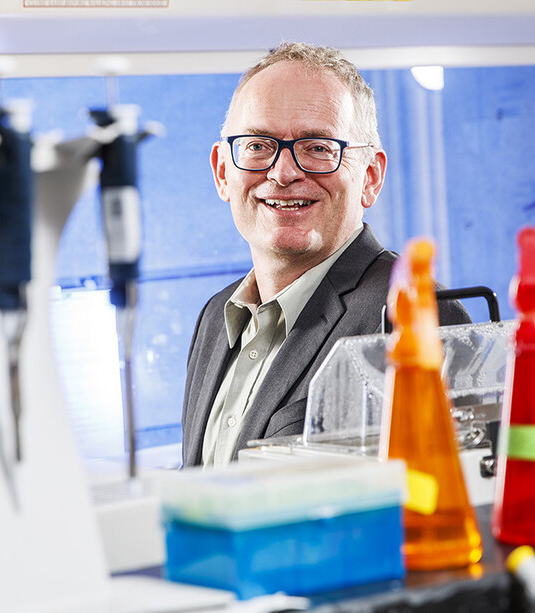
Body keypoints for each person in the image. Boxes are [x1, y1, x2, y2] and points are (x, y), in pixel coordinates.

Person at [181, 42, 471, 467]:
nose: (282, 173)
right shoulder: (214, 318)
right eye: (258, 145)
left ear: (370, 177)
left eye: (318, 147)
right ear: (224, 172)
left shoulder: (415, 318)